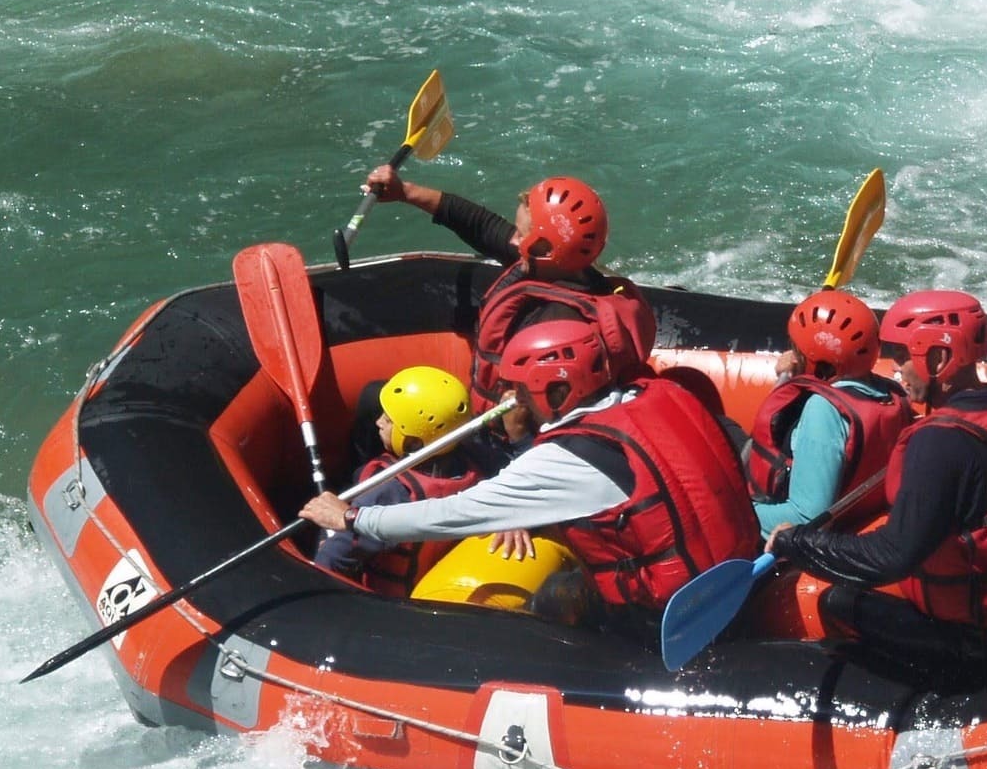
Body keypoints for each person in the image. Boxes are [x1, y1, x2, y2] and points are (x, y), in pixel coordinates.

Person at [299, 318, 758, 628]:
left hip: (667, 612)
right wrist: (523, 510)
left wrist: (353, 519)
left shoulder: (566, 457)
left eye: (520, 390)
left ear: (556, 389)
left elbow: (455, 514)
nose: (513, 402)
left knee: (548, 603)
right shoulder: (659, 396)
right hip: (733, 573)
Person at [766, 291, 987, 674]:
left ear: (938, 358)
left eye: (900, 356)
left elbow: (890, 558)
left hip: (981, 645)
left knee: (834, 603)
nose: (894, 367)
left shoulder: (939, 441)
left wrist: (795, 542)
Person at [365, 169, 655, 399]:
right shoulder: (562, 267)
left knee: (374, 406)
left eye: (520, 234)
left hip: (509, 445)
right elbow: (480, 225)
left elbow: (534, 419)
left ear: (548, 249)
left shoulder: (555, 328)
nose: (513, 240)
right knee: (372, 398)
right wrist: (405, 191)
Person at [312, 367, 494, 593]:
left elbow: (332, 560)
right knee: (371, 394)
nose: (378, 422)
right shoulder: (475, 462)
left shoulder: (389, 492)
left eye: (388, 421)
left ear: (414, 444)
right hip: (425, 568)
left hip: (387, 594)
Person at [745, 289, 912, 533]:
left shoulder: (824, 410)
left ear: (818, 361)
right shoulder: (892, 393)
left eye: (797, 348)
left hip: (795, 535)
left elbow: (807, 516)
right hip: (863, 517)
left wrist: (738, 513)